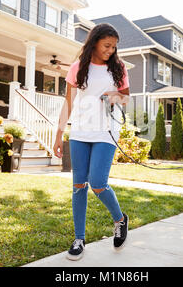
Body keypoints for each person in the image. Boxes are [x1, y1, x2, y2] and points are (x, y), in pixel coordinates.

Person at [53, 23, 130, 261]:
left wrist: (112, 96)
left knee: (97, 183)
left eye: (113, 47)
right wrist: (58, 135)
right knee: (78, 185)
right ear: (94, 42)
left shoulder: (118, 67)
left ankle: (120, 219)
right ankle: (79, 239)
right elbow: (68, 102)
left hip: (106, 131)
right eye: (107, 45)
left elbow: (125, 99)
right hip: (80, 131)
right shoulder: (79, 67)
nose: (110, 50)